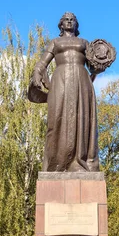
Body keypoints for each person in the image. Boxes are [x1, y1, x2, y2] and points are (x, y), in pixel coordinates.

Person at [30, 12, 99, 172]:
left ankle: (79, 162)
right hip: (60, 81)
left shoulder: (84, 42)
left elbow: (93, 66)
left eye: (72, 20)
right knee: (57, 119)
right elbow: (42, 62)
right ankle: (56, 164)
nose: (69, 21)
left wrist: (99, 68)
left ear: (76, 24)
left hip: (81, 81)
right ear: (61, 25)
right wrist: (37, 73)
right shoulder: (55, 42)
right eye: (66, 20)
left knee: (81, 120)